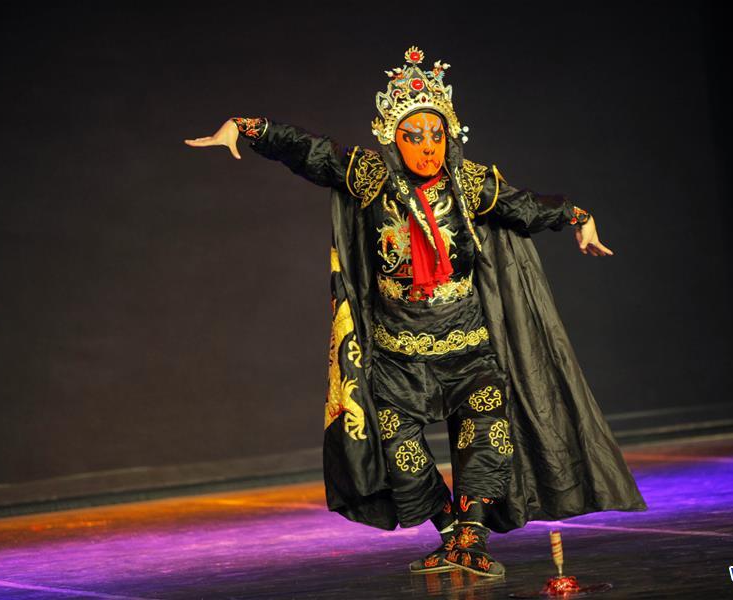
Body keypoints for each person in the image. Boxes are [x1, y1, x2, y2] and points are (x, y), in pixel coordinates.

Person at [185, 46, 645, 578]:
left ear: (449, 135)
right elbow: (308, 151)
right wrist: (246, 128)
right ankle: (449, 530)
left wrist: (577, 217)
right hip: (398, 354)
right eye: (414, 136)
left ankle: (472, 538)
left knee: (487, 436)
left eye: (436, 135)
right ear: (393, 137)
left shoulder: (468, 183)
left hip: (467, 347)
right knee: (397, 450)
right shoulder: (368, 175)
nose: (427, 147)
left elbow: (524, 206)